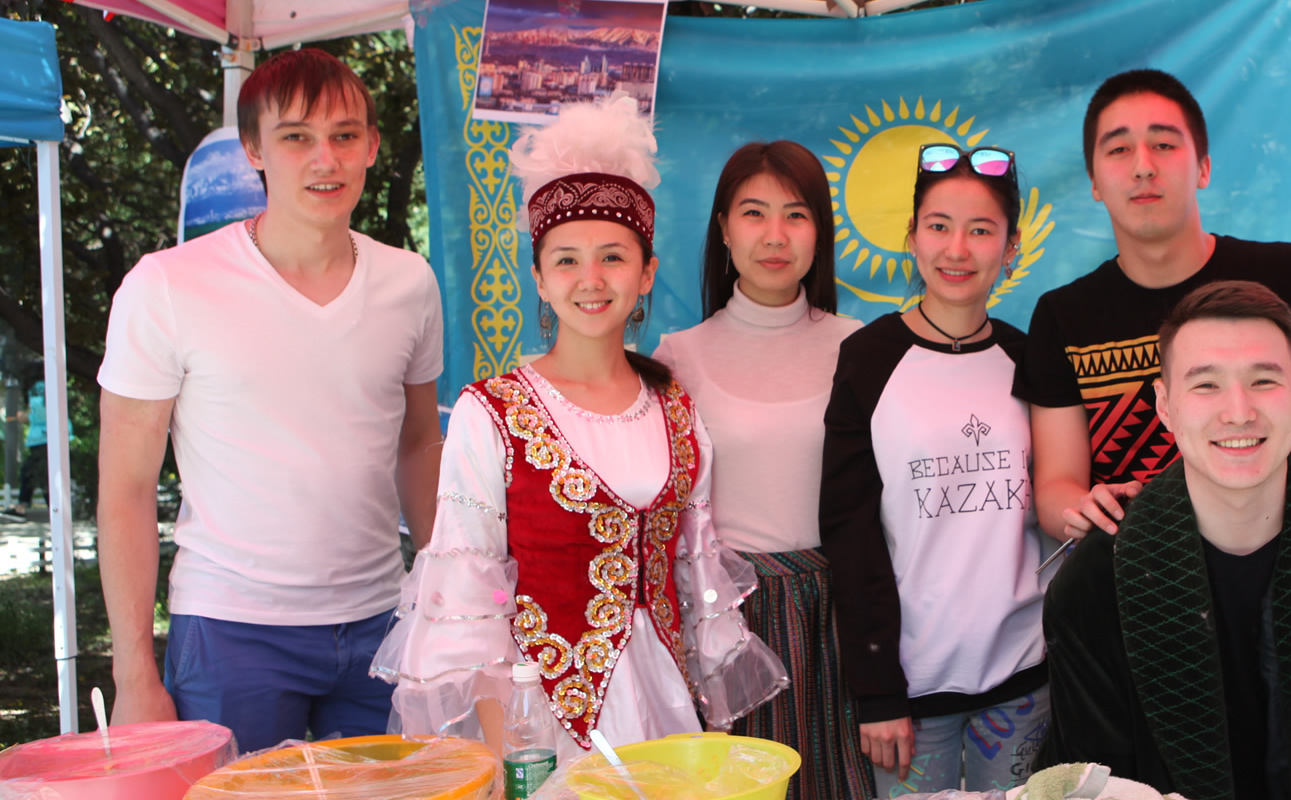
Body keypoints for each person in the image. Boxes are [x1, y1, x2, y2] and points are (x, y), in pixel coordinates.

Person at [370, 96, 786, 760]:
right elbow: (468, 599)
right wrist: (512, 760)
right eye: (566, 260)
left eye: (613, 257)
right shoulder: (492, 413)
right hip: (542, 729)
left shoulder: (676, 410)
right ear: (538, 278)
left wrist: (713, 737)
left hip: (667, 713)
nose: (591, 279)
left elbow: (694, 574)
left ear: (646, 273)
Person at [97, 49, 444, 752]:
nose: (325, 159)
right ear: (253, 148)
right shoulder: (167, 286)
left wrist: (446, 597)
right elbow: (126, 487)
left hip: (382, 623)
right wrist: (134, 672)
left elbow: (416, 443)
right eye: (296, 137)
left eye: (344, 135)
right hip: (231, 630)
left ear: (372, 146)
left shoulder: (409, 282)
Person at [1037, 281, 1291, 799]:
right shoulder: (1098, 576)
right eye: (1206, 385)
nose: (1238, 411)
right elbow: (1089, 782)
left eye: (1263, 381)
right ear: (1165, 405)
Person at [1021, 68, 1291, 542]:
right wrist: (1081, 509)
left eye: (1164, 144)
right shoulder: (1063, 318)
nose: (1143, 166)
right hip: (1138, 571)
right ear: (1094, 181)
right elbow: (1056, 488)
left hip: (1289, 565)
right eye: (1119, 149)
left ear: (1203, 168)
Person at [820, 143, 1050, 796]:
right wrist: (876, 690)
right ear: (912, 238)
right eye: (939, 226)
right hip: (911, 691)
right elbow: (849, 531)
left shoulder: (1029, 359)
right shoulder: (868, 358)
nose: (957, 249)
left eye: (981, 230)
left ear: (1010, 248)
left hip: (1023, 679)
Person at [651, 141, 872, 800]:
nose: (775, 235)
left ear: (819, 231)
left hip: (841, 615)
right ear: (723, 228)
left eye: (796, 214)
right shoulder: (677, 359)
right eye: (754, 213)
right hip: (732, 624)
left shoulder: (861, 346)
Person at [13, 380, 46, 517]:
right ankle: (22, 506)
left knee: (32, 473)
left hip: (44, 440)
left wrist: (29, 417)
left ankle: (22, 507)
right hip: (40, 440)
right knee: (37, 475)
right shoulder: (36, 387)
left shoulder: (40, 387)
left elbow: (43, 412)